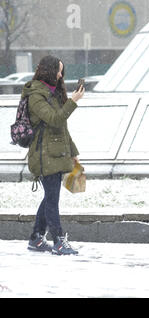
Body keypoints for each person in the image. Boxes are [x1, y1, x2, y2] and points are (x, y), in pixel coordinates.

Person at [24, 55, 85, 255]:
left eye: (62, 71)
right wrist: (73, 102)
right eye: (58, 70)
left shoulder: (53, 93)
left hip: (57, 153)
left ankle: (36, 238)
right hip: (43, 154)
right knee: (52, 198)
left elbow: (63, 129)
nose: (60, 75)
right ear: (48, 71)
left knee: (50, 196)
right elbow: (54, 119)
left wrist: (73, 153)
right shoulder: (35, 94)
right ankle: (58, 241)